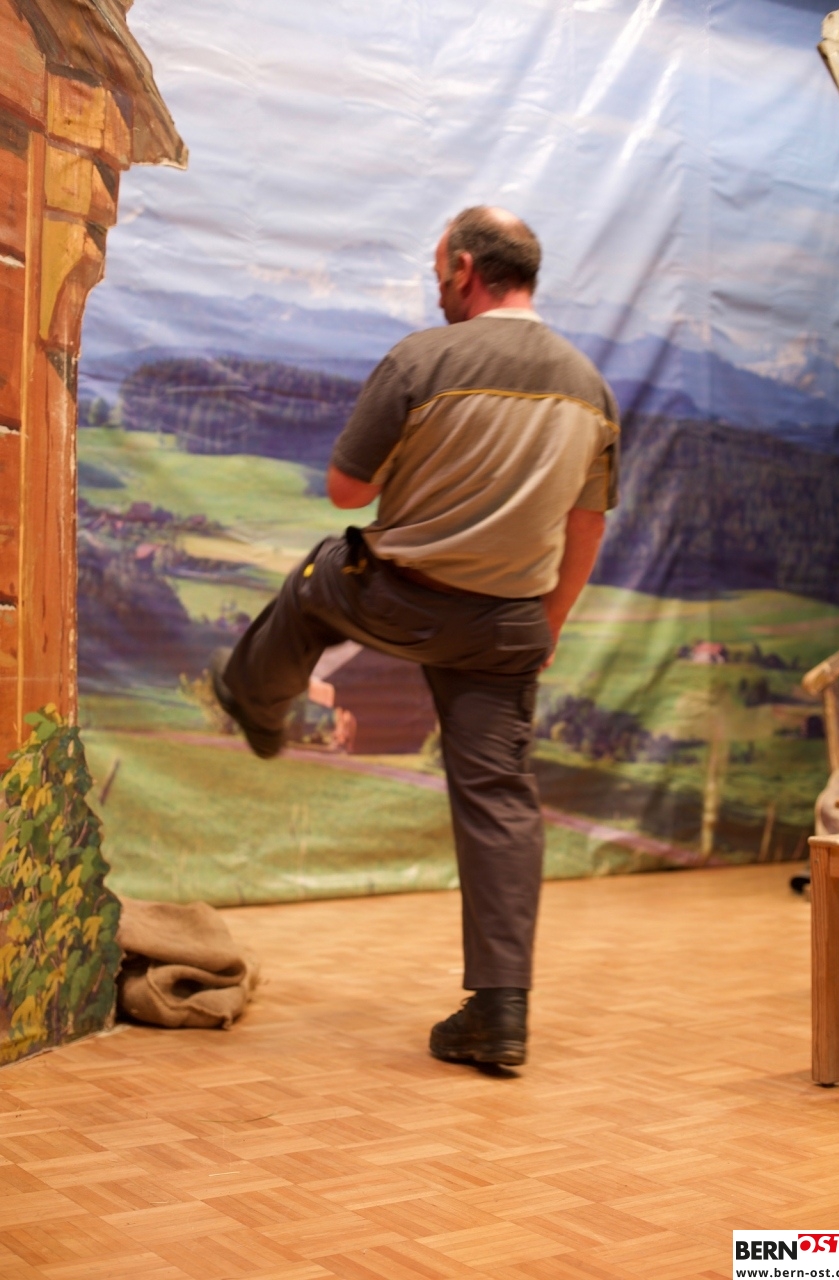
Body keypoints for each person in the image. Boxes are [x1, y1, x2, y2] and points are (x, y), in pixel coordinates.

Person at [213, 206, 619, 1067]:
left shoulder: (420, 359)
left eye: (439, 272)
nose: (436, 288)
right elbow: (586, 527)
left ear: (465, 269)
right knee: (499, 799)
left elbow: (346, 491)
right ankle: (499, 1014)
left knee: (318, 576)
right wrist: (547, 625)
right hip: (507, 623)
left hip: (399, 599)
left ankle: (254, 702)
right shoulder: (589, 386)